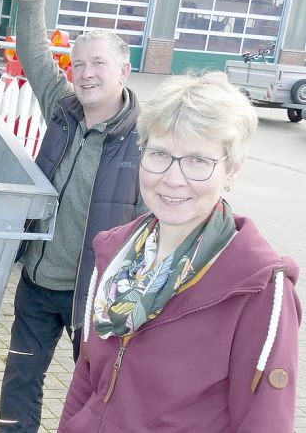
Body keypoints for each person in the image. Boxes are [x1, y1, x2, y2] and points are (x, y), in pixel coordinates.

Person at [61, 72, 301, 431]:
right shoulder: (115, 254)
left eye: (198, 161)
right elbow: (86, 378)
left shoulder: (260, 289)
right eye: (159, 154)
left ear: (232, 171)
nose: (173, 178)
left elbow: (264, 421)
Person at [0, 0, 145, 432]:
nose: (85, 73)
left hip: (97, 296)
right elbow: (34, 50)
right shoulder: (62, 111)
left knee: (96, 394)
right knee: (20, 380)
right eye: (79, 63)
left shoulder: (147, 142)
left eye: (98, 63)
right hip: (39, 286)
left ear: (123, 71)